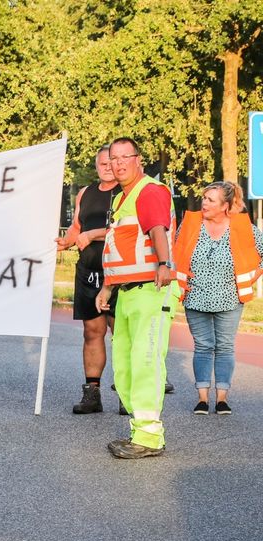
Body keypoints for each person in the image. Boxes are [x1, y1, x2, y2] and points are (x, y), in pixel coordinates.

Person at [95, 137, 176, 459]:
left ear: (138, 159)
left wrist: (164, 263)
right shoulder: (122, 198)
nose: (117, 164)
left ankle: (149, 437)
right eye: (113, 159)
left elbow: (158, 228)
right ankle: (139, 429)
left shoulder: (149, 191)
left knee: (145, 362)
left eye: (123, 157)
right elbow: (120, 250)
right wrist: (107, 287)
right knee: (125, 367)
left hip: (150, 290)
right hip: (127, 292)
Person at [171, 181, 261, 416]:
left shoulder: (243, 227)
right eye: (204, 197)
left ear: (225, 206)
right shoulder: (190, 224)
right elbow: (176, 252)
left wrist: (250, 277)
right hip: (195, 297)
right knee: (202, 347)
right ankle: (202, 398)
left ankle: (222, 399)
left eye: (211, 200)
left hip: (230, 299)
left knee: (224, 347)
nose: (204, 203)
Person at [56, 145, 119, 413]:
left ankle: (128, 395)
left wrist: (93, 234)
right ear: (96, 166)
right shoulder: (86, 192)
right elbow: (77, 228)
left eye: (111, 162)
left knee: (123, 334)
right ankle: (92, 394)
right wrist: (65, 241)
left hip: (119, 272)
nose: (106, 167)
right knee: (92, 332)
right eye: (101, 163)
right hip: (89, 271)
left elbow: (127, 230)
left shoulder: (127, 193)